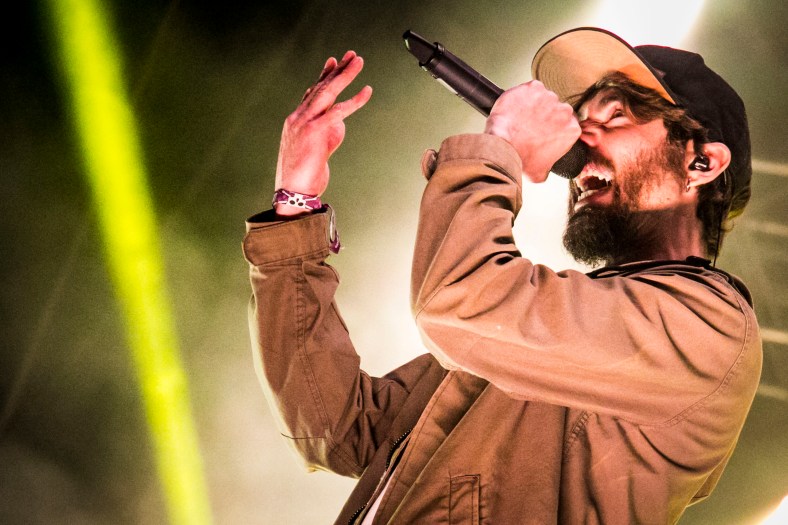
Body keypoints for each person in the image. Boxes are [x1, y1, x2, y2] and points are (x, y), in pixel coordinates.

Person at [242, 28, 762, 524]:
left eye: (615, 116)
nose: (578, 139)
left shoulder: (708, 328)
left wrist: (502, 149)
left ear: (701, 162)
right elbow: (340, 430)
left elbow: (456, 300)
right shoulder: (562, 326)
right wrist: (295, 205)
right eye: (578, 120)